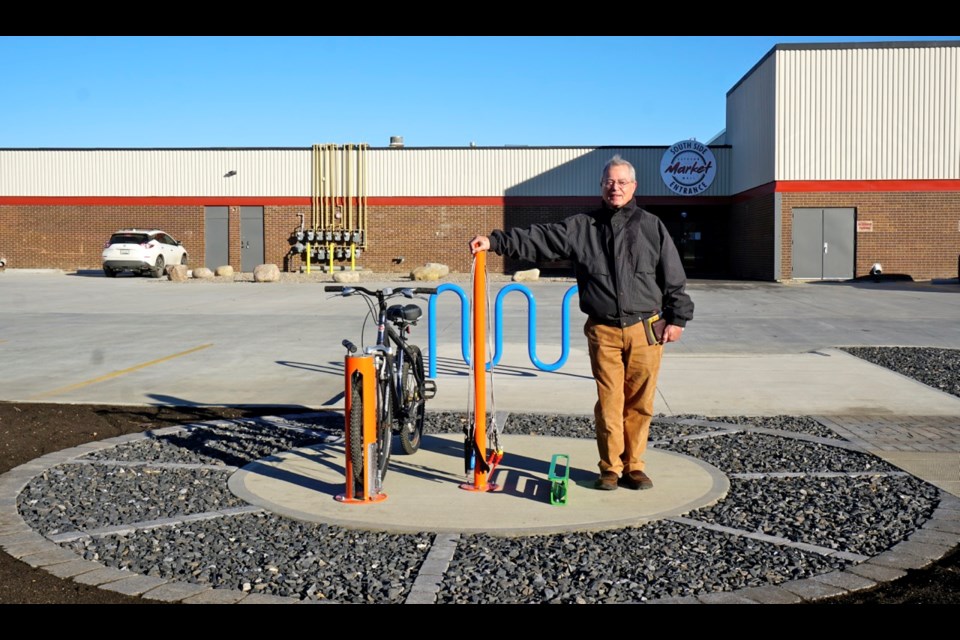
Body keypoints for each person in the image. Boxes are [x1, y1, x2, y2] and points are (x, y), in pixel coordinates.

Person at [469, 154, 694, 491]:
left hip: (646, 329)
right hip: (603, 329)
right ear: (601, 186)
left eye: (621, 182)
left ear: (633, 186)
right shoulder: (581, 227)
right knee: (609, 402)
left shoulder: (651, 226)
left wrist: (677, 318)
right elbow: (540, 239)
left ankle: (634, 466)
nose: (614, 188)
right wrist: (496, 242)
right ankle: (610, 468)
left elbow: (673, 276)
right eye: (609, 182)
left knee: (641, 403)